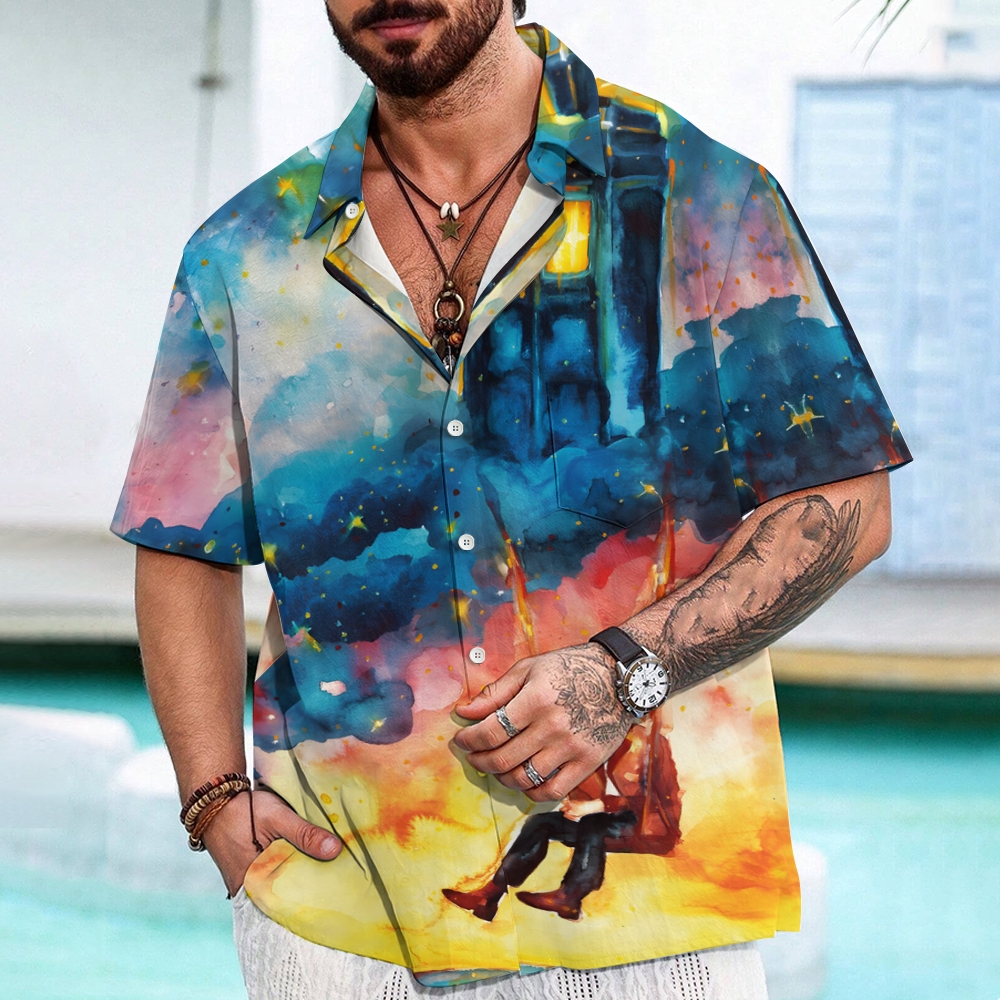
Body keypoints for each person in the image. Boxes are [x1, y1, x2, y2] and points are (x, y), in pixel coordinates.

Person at [112, 2, 912, 998]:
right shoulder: (244, 251)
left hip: (646, 934)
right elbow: (182, 542)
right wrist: (213, 797)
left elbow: (846, 501)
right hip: (334, 926)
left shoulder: (700, 197)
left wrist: (623, 675)